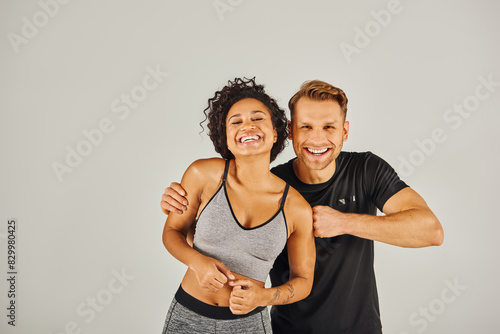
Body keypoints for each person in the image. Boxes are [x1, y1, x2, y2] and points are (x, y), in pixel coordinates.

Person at [161, 79, 444, 333]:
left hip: (359, 328)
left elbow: (430, 231)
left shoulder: (366, 170)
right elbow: (210, 237)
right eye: (306, 127)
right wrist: (183, 207)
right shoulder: (273, 181)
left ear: (345, 131)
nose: (318, 138)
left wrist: (344, 222)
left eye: (329, 127)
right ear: (290, 134)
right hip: (287, 328)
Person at [161, 77, 315, 333]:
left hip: (250, 324)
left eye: (257, 118)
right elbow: (171, 232)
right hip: (188, 316)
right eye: (236, 121)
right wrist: (198, 262)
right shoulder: (203, 174)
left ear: (275, 131)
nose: (248, 126)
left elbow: (304, 281)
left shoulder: (297, 208)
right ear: (226, 137)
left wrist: (263, 297)